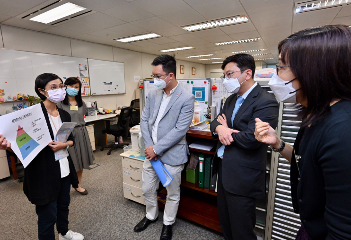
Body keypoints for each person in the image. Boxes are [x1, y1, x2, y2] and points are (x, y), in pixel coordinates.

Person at [254, 25, 351, 239]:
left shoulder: (342, 131)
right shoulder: (317, 114)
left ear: (313, 71)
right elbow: (306, 161)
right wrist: (278, 143)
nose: (275, 76)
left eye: (281, 67)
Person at [0, 73, 84, 240]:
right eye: (54, 87)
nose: (61, 90)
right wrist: (7, 146)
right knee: (47, 216)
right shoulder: (31, 116)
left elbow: (70, 140)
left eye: (61, 86)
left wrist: (65, 144)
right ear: (42, 91)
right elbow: (22, 147)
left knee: (64, 206)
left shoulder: (65, 115)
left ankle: (64, 232)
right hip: (43, 174)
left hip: (63, 169)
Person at [210, 54, 279, 240]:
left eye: (230, 74)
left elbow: (252, 138)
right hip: (224, 170)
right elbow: (214, 122)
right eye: (225, 75)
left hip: (243, 176)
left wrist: (224, 130)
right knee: (226, 223)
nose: (227, 80)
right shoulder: (232, 99)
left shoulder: (266, 101)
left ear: (247, 73)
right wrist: (221, 127)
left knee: (242, 230)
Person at [135, 54, 194, 240]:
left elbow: (179, 130)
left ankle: (168, 223)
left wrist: (156, 148)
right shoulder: (153, 94)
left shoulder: (186, 97)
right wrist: (150, 147)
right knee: (147, 189)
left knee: (172, 193)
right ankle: (151, 215)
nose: (155, 80)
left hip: (172, 155)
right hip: (151, 154)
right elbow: (144, 120)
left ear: (170, 75)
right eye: (153, 76)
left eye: (158, 76)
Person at [57, 77, 95, 195]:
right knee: (70, 161)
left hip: (81, 133)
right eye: (71, 86)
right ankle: (64, 187)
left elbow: (82, 116)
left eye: (76, 87)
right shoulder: (60, 104)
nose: (73, 89)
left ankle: (78, 185)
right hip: (67, 135)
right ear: (65, 87)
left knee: (81, 160)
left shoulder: (81, 103)